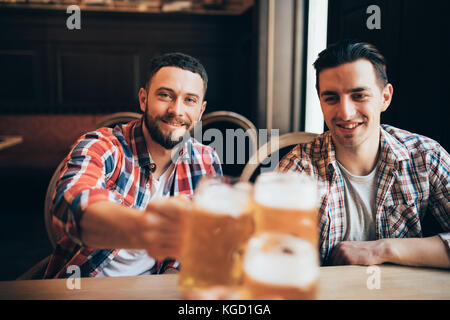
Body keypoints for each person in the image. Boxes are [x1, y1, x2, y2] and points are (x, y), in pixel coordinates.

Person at [44, 53, 222, 278]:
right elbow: (70, 205)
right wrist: (147, 229)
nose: (177, 110)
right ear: (143, 99)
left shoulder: (206, 161)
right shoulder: (103, 144)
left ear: (200, 111)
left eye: (190, 100)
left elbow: (192, 250)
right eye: (165, 95)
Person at [279, 40, 450, 268]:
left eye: (359, 95)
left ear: (385, 97)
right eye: (331, 98)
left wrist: (383, 249)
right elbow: (273, 257)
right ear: (320, 102)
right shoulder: (298, 169)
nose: (346, 113)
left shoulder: (426, 157)